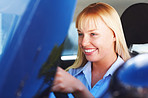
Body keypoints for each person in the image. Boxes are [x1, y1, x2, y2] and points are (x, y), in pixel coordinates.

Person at [49, 2, 130, 98]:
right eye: (80, 34)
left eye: (93, 34)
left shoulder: (130, 80)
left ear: (114, 35)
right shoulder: (71, 75)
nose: (84, 43)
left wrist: (79, 89)